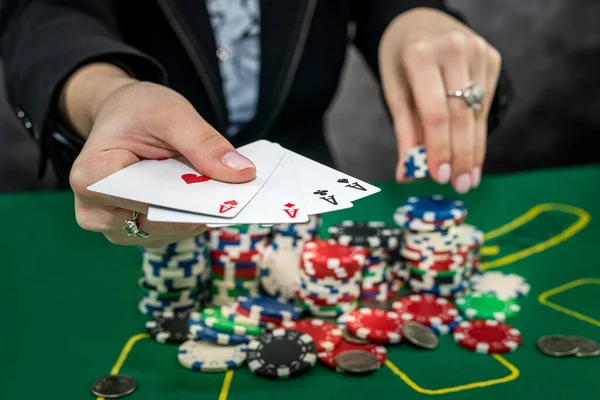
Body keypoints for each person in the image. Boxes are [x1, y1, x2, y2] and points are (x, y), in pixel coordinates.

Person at [0, 0, 509, 248]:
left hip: (307, 228)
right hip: (122, 225)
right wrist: (107, 94)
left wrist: (415, 15)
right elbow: (44, 13)